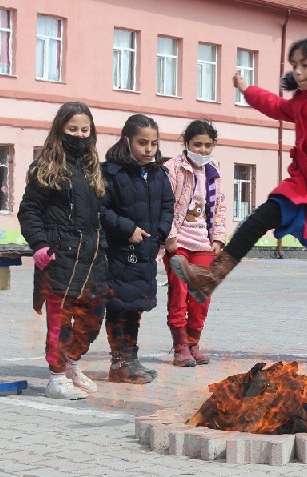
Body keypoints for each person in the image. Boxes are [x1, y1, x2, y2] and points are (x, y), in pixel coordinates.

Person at [169, 36, 307, 334]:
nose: (298, 71)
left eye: (305, 65)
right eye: (294, 65)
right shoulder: (301, 100)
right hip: (304, 183)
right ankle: (211, 277)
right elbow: (274, 105)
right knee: (260, 217)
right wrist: (246, 90)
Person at [18, 102, 109, 400]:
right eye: (73, 129)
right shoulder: (46, 167)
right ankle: (55, 377)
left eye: (85, 130)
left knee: (90, 319)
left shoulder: (93, 167)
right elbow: (29, 210)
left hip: (91, 258)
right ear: (60, 129)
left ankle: (72, 366)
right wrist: (40, 245)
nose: (80, 135)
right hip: (58, 257)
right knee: (60, 321)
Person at [101, 114, 174, 383]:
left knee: (135, 308)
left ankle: (130, 359)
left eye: (153, 144)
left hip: (145, 253)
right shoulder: (111, 173)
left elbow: (168, 206)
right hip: (120, 253)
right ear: (127, 140)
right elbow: (101, 210)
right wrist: (127, 228)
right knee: (119, 307)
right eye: (142, 143)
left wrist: (160, 233)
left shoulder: (157, 174)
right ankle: (119, 363)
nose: (148, 149)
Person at [163, 120, 227, 367]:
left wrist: (218, 238)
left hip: (203, 244)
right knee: (179, 294)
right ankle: (180, 346)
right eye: (197, 144)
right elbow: (165, 205)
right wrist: (170, 237)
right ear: (186, 144)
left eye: (207, 145)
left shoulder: (214, 170)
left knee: (201, 296)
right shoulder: (172, 168)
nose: (202, 150)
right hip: (178, 243)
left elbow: (219, 206)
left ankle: (193, 342)